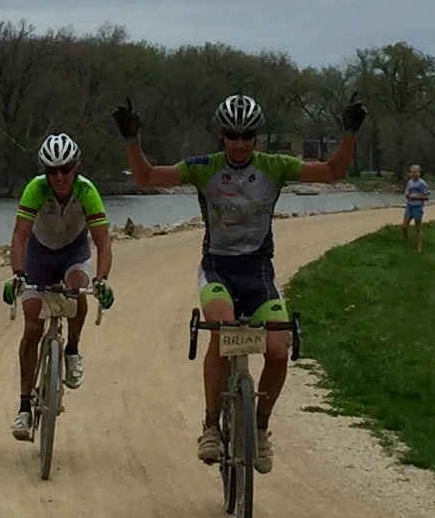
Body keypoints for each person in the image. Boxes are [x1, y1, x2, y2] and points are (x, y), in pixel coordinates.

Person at [112, 91, 366, 472]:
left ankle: (260, 426)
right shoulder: (205, 167)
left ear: (257, 139)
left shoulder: (274, 166)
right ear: (221, 134)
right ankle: (212, 423)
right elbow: (148, 177)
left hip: (259, 271)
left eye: (248, 136)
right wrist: (132, 140)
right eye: (232, 135)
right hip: (218, 268)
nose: (240, 143)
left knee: (279, 348)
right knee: (223, 329)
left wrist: (349, 133)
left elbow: (332, 172)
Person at [3, 134, 113, 441]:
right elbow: (20, 236)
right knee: (32, 328)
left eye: (66, 168)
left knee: (78, 294)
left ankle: (73, 350)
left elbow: (103, 241)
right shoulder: (35, 190)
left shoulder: (87, 191)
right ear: (45, 171)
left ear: (76, 167)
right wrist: (18, 273)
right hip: (38, 255)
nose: (60, 176)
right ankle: (24, 407)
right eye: (53, 170)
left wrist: (102, 280)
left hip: (72, 252)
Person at [402, 165, 430, 250]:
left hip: (417, 207)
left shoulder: (422, 183)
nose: (414, 174)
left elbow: (426, 197)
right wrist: (408, 196)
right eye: (412, 172)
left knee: (418, 227)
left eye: (416, 172)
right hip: (409, 206)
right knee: (404, 226)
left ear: (419, 173)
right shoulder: (409, 183)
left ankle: (419, 247)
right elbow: (407, 194)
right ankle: (406, 240)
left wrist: (415, 197)